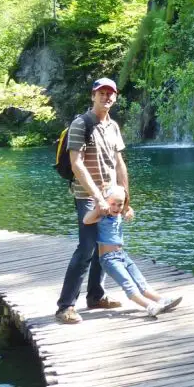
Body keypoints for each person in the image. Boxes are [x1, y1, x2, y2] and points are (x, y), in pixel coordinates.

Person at [54, 77, 130, 325]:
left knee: (105, 245)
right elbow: (76, 164)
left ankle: (96, 296)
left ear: (115, 97)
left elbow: (119, 163)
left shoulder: (113, 127)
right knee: (86, 248)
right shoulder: (81, 124)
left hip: (110, 195)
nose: (106, 97)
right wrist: (97, 197)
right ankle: (65, 306)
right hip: (87, 196)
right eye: (101, 93)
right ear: (93, 95)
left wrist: (125, 199)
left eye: (110, 93)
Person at [84, 184, 182, 317]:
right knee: (128, 284)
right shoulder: (102, 215)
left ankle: (161, 300)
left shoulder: (118, 212)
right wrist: (99, 207)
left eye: (120, 204)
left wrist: (129, 210)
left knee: (141, 282)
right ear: (106, 202)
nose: (117, 208)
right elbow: (86, 220)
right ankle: (150, 306)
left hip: (122, 255)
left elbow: (128, 209)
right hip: (109, 258)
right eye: (113, 204)